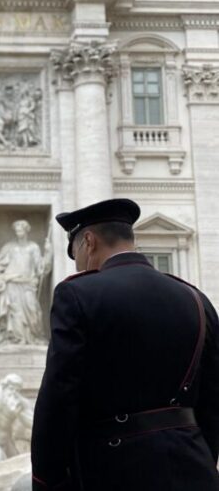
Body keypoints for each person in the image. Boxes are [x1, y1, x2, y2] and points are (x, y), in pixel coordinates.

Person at [31, 198, 219, 490]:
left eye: (76, 254)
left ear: (88, 242)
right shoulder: (196, 299)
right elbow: (211, 400)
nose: (79, 264)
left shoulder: (77, 294)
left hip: (112, 470)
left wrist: (47, 478)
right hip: (193, 467)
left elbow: (59, 396)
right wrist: (203, 459)